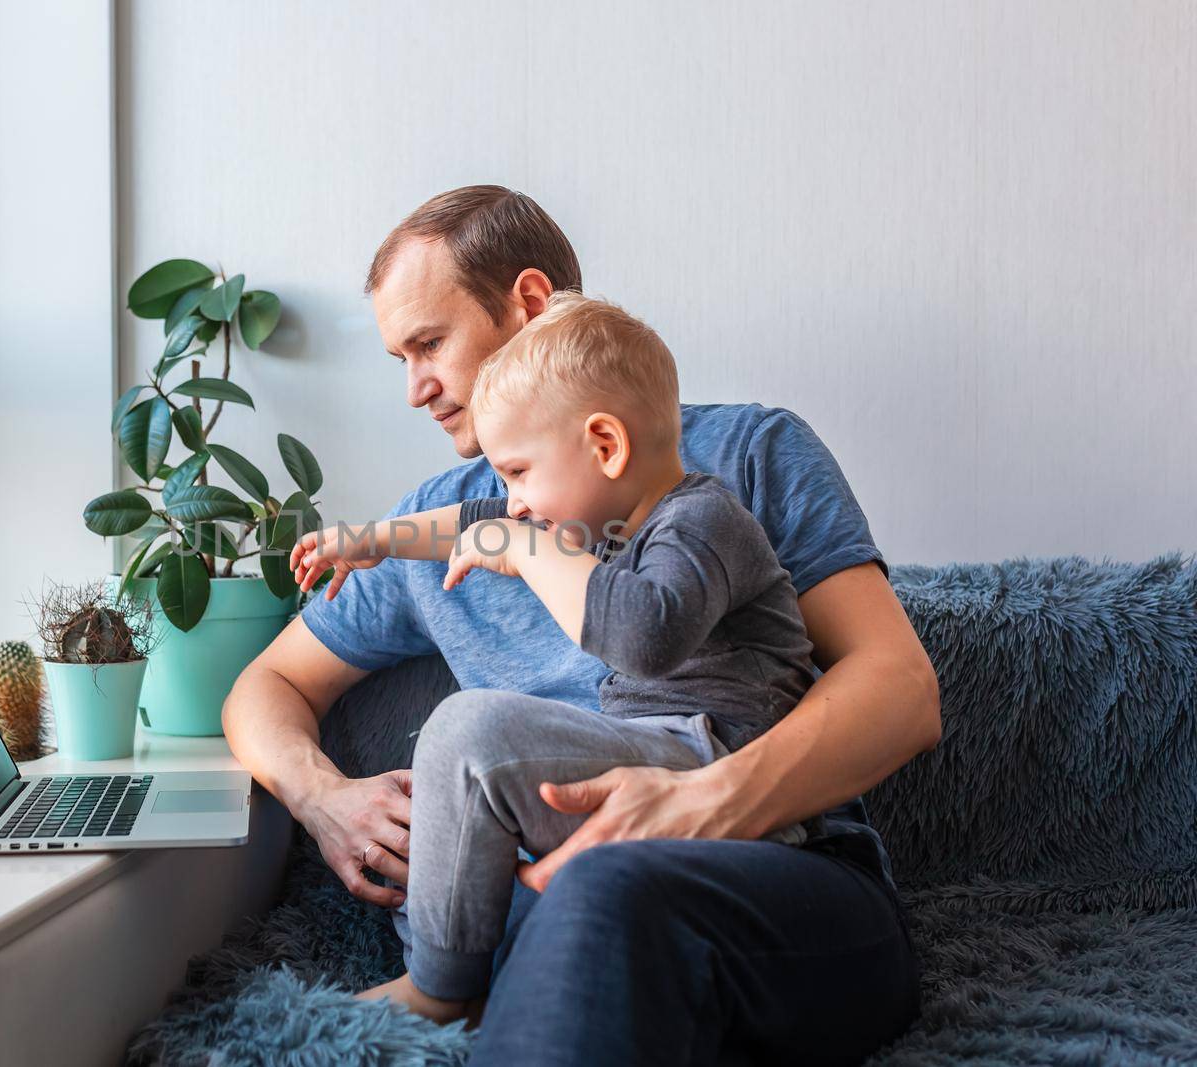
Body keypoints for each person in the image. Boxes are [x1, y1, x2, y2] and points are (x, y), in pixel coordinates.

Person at [222, 185, 937, 1064]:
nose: (413, 389)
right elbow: (265, 685)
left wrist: (698, 803)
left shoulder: (745, 458)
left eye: (429, 343)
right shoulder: (457, 515)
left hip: (776, 872)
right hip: (544, 901)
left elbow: (901, 690)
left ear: (527, 304)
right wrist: (323, 796)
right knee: (559, 891)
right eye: (398, 359)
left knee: (602, 889)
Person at [291, 291, 819, 1023]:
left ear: (605, 445)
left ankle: (440, 987)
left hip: (718, 764)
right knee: (465, 790)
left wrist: (534, 551)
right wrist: (374, 541)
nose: (510, 505)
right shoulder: (609, 518)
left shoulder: (702, 519)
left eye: (518, 474)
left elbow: (644, 638)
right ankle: (468, 953)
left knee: (469, 732)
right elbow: (470, 522)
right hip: (657, 756)